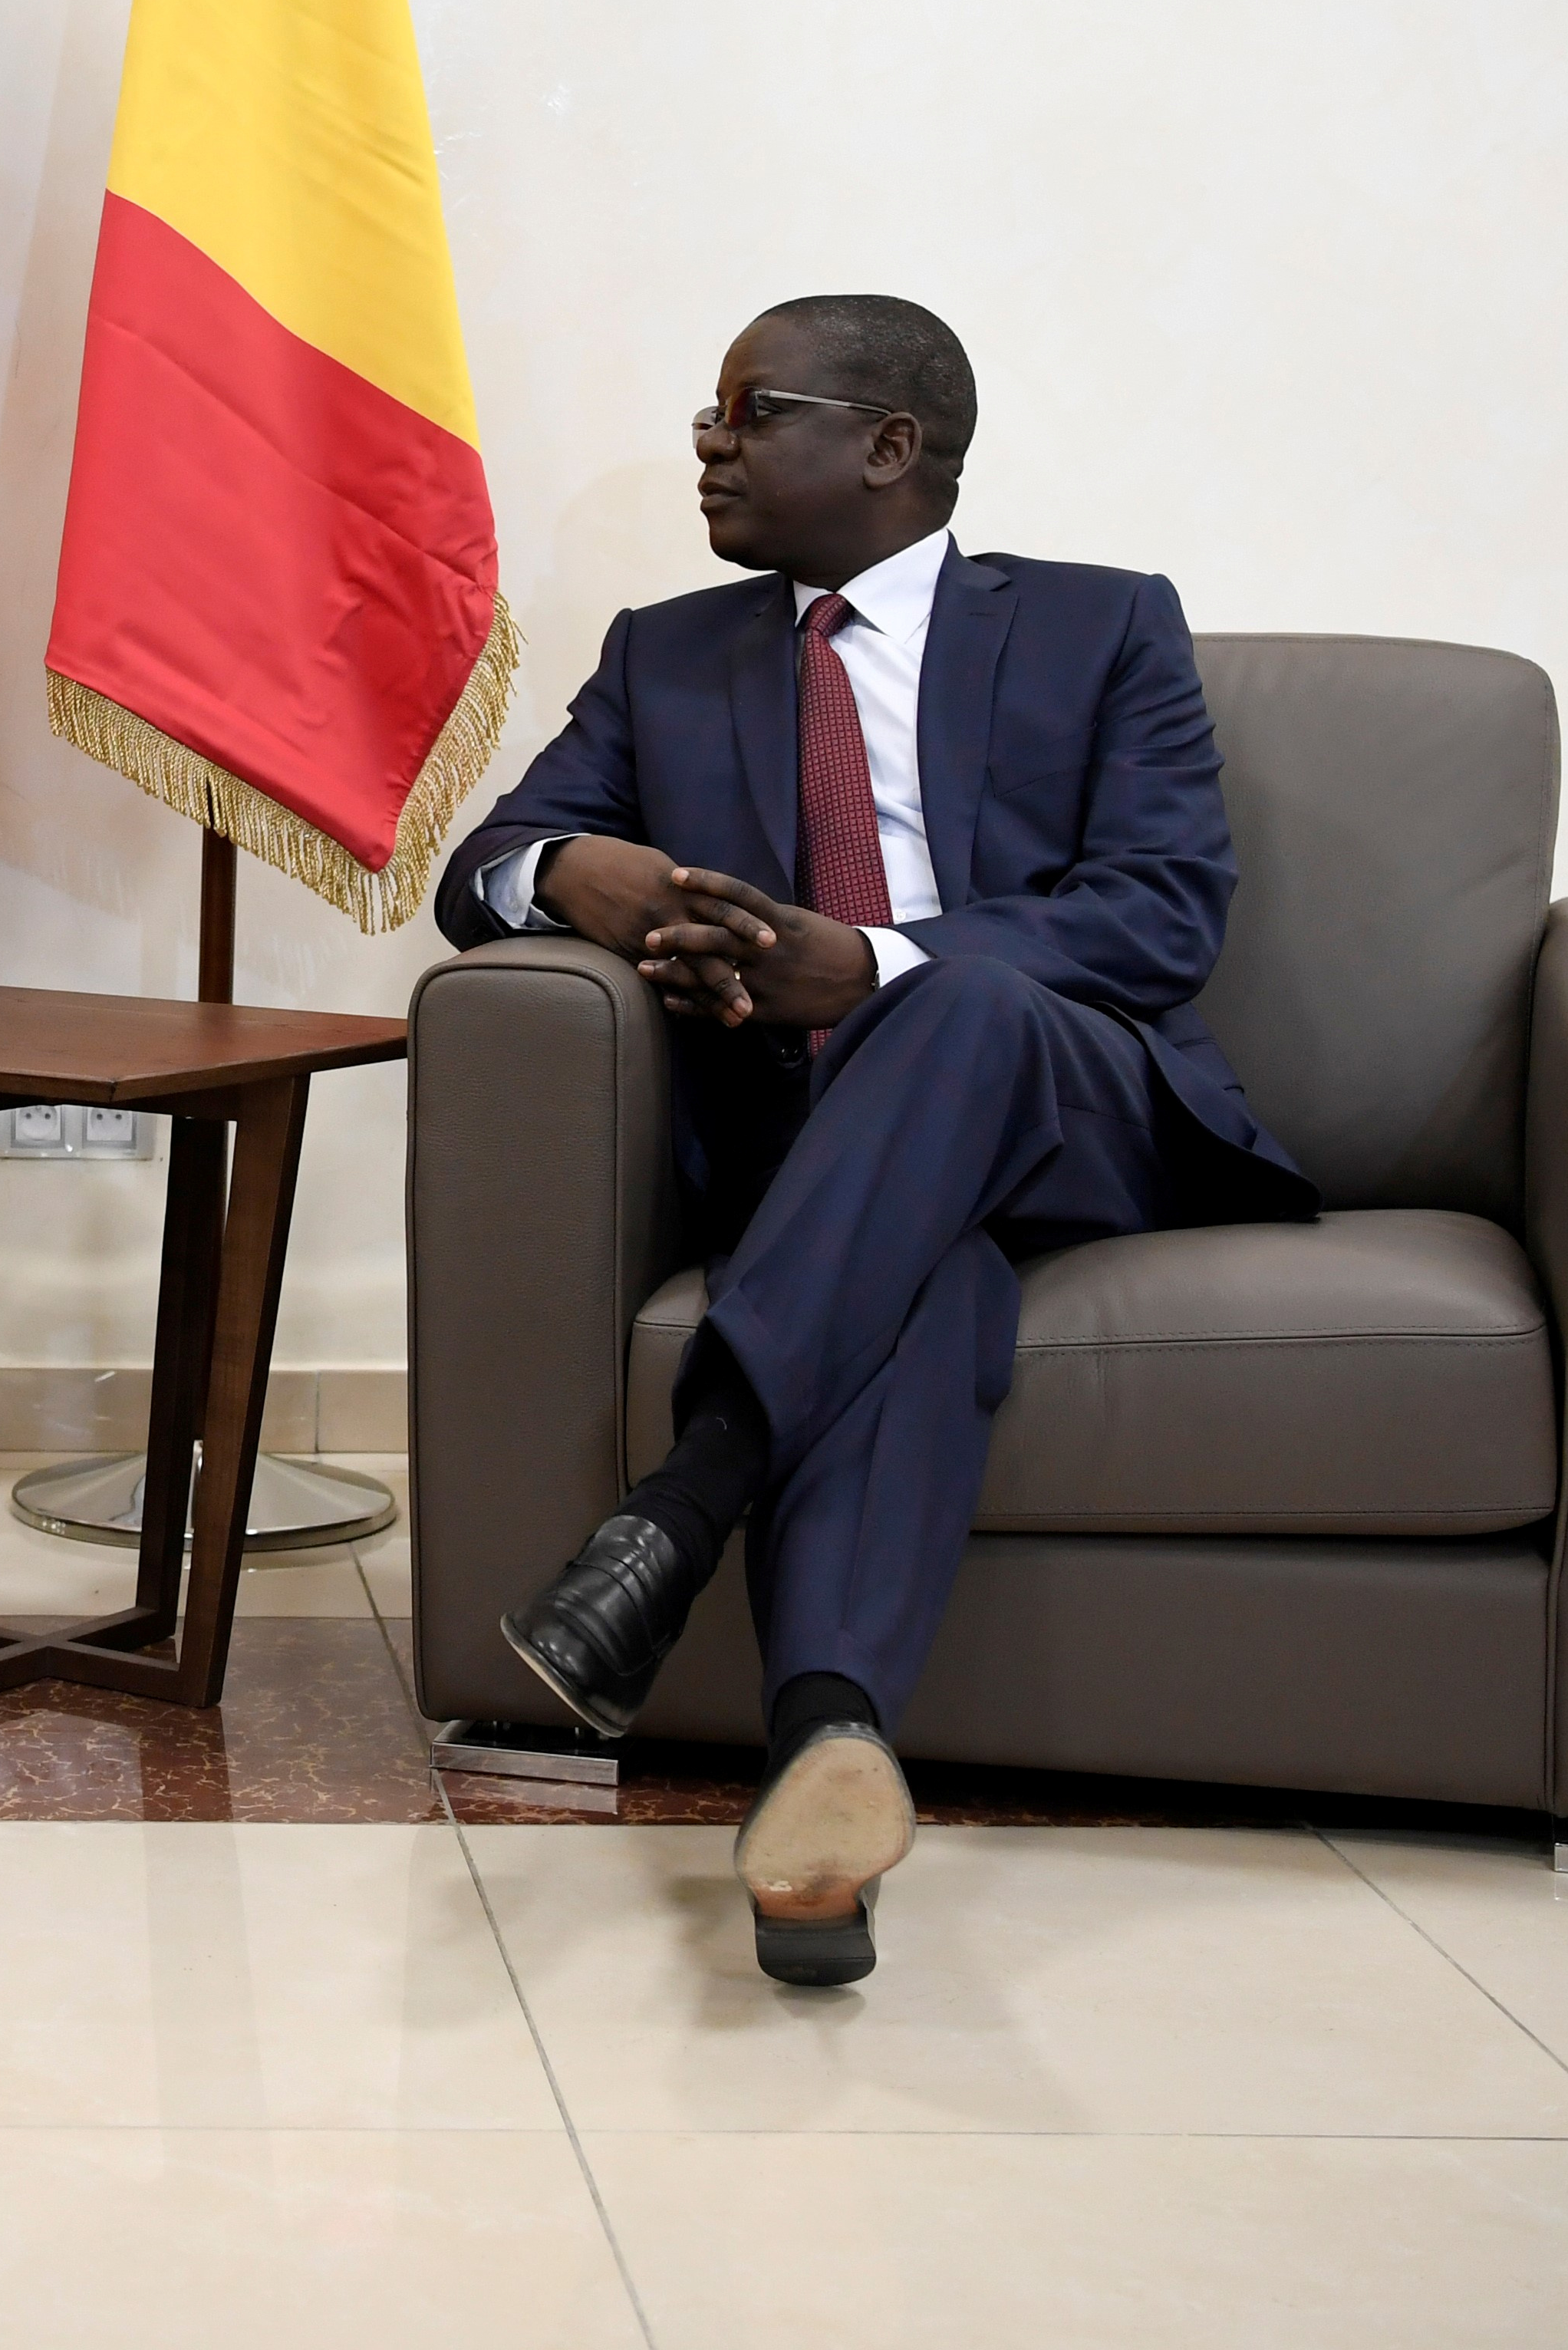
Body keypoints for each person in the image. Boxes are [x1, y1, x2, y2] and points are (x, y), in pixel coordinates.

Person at [436, 295, 1314, 1986]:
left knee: (964, 1005)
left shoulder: (1101, 627)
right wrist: (573, 875)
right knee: (932, 1277)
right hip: (823, 1152)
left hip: (1067, 1100)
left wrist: (880, 965)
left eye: (750, 408)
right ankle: (821, 1770)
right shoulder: (666, 652)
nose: (709, 440)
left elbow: (1158, 911)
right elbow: (490, 855)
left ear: (891, 446)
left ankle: (683, 1506)